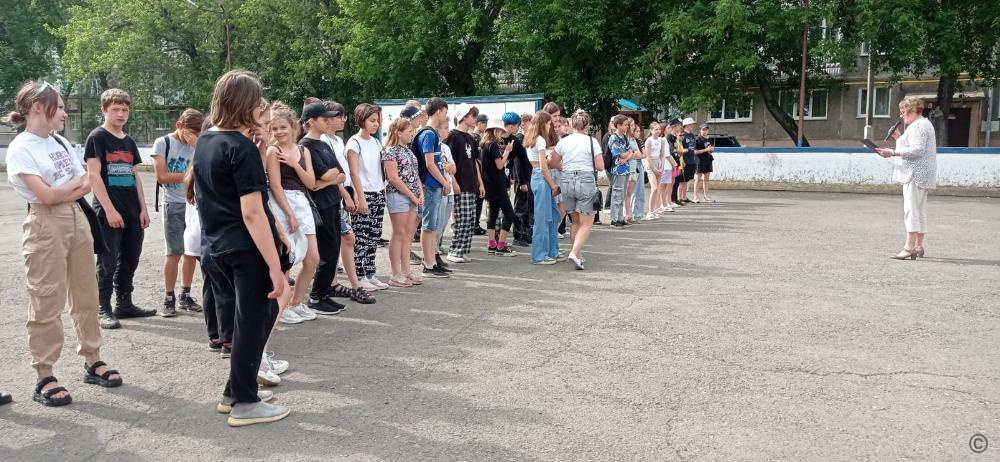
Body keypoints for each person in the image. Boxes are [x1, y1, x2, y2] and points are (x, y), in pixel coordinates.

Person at [4, 80, 124, 407]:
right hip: (45, 222)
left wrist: (64, 190)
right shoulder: (22, 147)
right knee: (47, 298)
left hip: (76, 217)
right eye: (58, 107)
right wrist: (67, 188)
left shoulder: (59, 141)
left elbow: (87, 182)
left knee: (86, 294)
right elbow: (47, 196)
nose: (63, 113)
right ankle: (45, 374)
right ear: (38, 107)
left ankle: (93, 360)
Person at [194, 70, 290, 426]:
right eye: (257, 104)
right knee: (253, 320)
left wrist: (260, 148)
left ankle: (234, 391)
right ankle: (245, 403)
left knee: (253, 318)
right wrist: (275, 266)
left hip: (219, 245)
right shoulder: (240, 146)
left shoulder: (207, 140)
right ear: (245, 105)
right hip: (245, 247)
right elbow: (252, 212)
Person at [85, 89, 154, 328]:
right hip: (108, 212)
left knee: (130, 258)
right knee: (107, 262)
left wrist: (143, 209)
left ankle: (124, 304)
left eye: (125, 109)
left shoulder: (129, 142)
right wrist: (110, 210)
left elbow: (135, 176)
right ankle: (102, 307)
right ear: (104, 110)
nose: (121, 114)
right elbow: (93, 176)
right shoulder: (97, 137)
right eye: (115, 109)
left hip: (132, 211)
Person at [264, 102, 323, 323]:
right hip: (282, 203)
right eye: (274, 128)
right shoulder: (272, 151)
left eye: (283, 127)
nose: (279, 132)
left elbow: (311, 182)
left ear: (293, 127)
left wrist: (295, 164)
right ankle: (282, 307)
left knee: (313, 257)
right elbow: (275, 185)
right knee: (286, 257)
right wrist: (289, 213)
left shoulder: (303, 150)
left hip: (302, 202)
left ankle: (296, 302)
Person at [320, 101, 376, 304]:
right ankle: (353, 285)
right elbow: (332, 175)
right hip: (333, 197)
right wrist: (346, 195)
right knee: (346, 239)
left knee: (343, 240)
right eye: (339, 116)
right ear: (328, 118)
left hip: (341, 197)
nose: (343, 119)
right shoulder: (324, 141)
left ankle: (334, 282)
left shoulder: (337, 140)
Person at [152, 109, 205, 317]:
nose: (193, 137)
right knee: (174, 252)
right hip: (173, 204)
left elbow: (207, 169)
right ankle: (169, 297)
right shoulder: (163, 143)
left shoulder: (199, 145)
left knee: (190, 252)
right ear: (179, 126)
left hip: (194, 204)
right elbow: (162, 176)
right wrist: (190, 174)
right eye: (191, 133)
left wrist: (198, 146)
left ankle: (185, 294)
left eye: (198, 134)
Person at [875, 96, 937, 260]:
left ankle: (908, 248)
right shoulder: (923, 124)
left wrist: (892, 152)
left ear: (911, 110)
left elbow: (916, 150)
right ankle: (918, 246)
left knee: (911, 210)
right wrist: (899, 138)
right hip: (922, 174)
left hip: (914, 174)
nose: (902, 116)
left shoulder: (918, 126)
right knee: (919, 210)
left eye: (903, 112)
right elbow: (915, 147)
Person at [346, 104, 389, 289]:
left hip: (379, 192)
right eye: (372, 120)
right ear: (361, 120)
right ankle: (359, 275)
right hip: (364, 194)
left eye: (377, 120)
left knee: (374, 236)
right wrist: (361, 197)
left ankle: (370, 273)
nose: (376, 124)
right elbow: (354, 173)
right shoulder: (354, 143)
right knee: (361, 237)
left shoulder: (376, 142)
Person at [555, 110, 604, 269]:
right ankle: (575, 252)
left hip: (567, 180)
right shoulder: (591, 141)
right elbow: (600, 166)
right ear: (587, 125)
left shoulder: (564, 141)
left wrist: (566, 166)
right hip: (585, 180)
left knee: (575, 221)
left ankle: (578, 254)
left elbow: (553, 161)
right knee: (587, 223)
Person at [381, 116, 424, 286]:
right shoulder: (390, 151)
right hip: (398, 195)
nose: (411, 134)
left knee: (408, 234)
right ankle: (395, 273)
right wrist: (412, 195)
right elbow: (393, 178)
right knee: (399, 233)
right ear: (398, 133)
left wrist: (420, 193)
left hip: (412, 196)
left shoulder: (408, 150)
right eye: (409, 131)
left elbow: (415, 174)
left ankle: (406, 271)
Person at [412, 97, 451, 277]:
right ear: (438, 111)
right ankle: (428, 264)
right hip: (429, 184)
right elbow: (429, 163)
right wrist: (445, 182)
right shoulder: (428, 134)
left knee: (432, 226)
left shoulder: (430, 133)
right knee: (428, 226)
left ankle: (432, 261)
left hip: (432, 184)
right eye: (445, 111)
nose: (446, 115)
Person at [446, 103, 486, 263]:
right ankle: (454, 251)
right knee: (462, 218)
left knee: (470, 219)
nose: (475, 119)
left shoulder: (470, 138)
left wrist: (480, 183)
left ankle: (462, 250)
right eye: (472, 115)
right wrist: (454, 182)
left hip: (471, 183)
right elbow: (448, 161)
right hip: (460, 183)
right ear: (463, 117)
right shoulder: (453, 136)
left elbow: (475, 162)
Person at [526, 110, 562, 264]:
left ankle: (551, 251)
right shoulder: (540, 140)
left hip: (538, 177)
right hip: (542, 178)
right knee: (543, 218)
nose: (550, 127)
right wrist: (553, 185)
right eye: (548, 124)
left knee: (553, 215)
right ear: (543, 124)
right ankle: (539, 255)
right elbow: (543, 166)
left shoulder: (532, 138)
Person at [480, 119, 519, 256]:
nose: (502, 134)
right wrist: (507, 152)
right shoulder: (493, 145)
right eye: (501, 131)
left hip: (489, 184)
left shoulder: (484, 145)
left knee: (493, 213)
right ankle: (501, 245)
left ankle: (492, 243)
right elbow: (500, 165)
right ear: (496, 130)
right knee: (509, 214)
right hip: (498, 184)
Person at [509, 112, 533, 247]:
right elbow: (518, 162)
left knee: (529, 208)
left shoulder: (528, 138)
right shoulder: (519, 138)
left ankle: (527, 233)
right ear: (523, 124)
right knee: (521, 208)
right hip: (522, 178)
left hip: (529, 176)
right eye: (530, 123)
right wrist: (521, 181)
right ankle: (518, 235)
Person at [608, 115, 636, 227]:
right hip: (618, 170)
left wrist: (626, 157)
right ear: (618, 125)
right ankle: (614, 219)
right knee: (617, 194)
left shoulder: (624, 137)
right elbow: (620, 154)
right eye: (625, 125)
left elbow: (631, 152)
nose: (627, 127)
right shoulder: (613, 138)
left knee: (622, 194)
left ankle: (620, 217)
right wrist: (627, 155)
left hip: (625, 168)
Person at [644, 122, 672, 216]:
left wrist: (662, 166)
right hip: (651, 165)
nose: (658, 131)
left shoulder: (662, 141)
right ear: (651, 130)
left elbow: (663, 155)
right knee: (654, 188)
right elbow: (648, 156)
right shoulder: (649, 141)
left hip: (659, 163)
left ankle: (656, 209)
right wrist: (654, 168)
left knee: (658, 188)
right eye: (656, 129)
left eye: (659, 129)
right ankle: (650, 211)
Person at [693, 123, 716, 203]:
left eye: (706, 129)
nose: (705, 131)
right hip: (699, 161)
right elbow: (695, 152)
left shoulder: (710, 139)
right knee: (697, 179)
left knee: (706, 179)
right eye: (703, 130)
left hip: (708, 160)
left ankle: (706, 196)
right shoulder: (697, 139)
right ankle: (695, 197)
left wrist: (711, 150)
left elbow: (711, 149)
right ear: (700, 130)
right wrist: (706, 150)